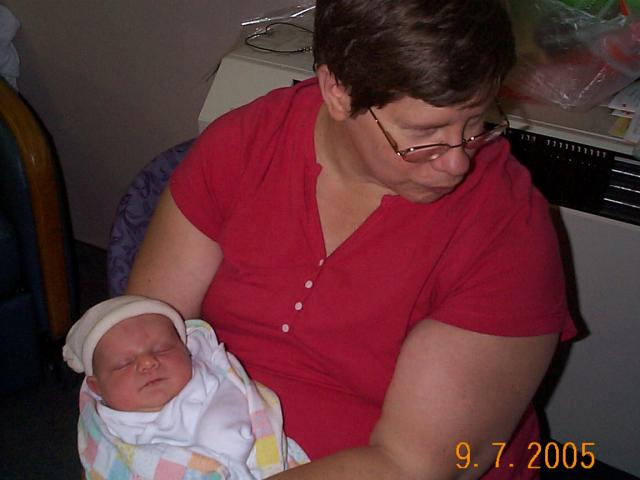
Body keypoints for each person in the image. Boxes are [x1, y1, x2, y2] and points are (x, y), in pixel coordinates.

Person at [126, 1, 577, 478]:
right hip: (208, 445)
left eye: (475, 123)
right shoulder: (243, 144)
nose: (456, 162)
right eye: (423, 134)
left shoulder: (507, 229)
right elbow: (139, 336)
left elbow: (411, 464)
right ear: (337, 91)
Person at [63, 295, 307, 479]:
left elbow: (232, 411)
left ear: (187, 352)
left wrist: (218, 435)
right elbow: (107, 463)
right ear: (97, 387)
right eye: (124, 363)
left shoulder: (207, 382)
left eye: (162, 349)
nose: (148, 362)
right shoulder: (106, 426)